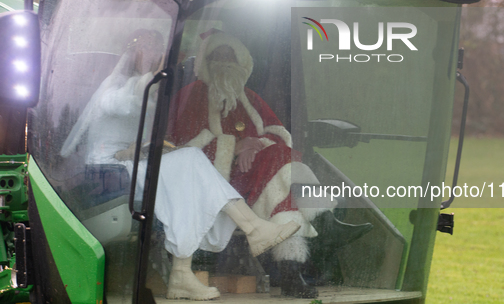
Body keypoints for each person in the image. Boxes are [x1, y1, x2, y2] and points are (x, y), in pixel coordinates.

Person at [60, 29, 300, 301]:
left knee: (190, 175)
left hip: (133, 165)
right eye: (146, 48)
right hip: (106, 172)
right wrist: (148, 83)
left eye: (157, 49)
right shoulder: (116, 88)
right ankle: (252, 230)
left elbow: (152, 134)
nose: (153, 55)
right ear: (132, 52)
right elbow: (122, 104)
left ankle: (182, 275)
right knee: (191, 161)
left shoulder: (153, 94)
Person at [168, 30, 373, 298]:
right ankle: (321, 229)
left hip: (253, 177)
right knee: (279, 164)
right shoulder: (191, 95)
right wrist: (234, 146)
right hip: (214, 181)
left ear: (242, 63)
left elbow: (278, 133)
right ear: (205, 62)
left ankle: (292, 274)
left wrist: (255, 143)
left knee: (280, 174)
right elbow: (180, 150)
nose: (224, 63)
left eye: (230, 58)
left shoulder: (250, 97)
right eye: (217, 57)